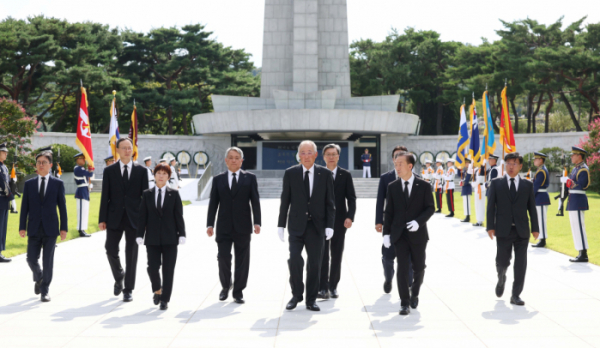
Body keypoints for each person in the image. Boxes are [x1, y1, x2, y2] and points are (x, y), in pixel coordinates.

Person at [278, 140, 335, 311]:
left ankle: (311, 300)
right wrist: (280, 225)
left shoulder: (324, 174)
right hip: (296, 225)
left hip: (317, 227)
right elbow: (285, 200)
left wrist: (330, 225)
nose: (306, 156)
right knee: (294, 259)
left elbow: (330, 202)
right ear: (298, 155)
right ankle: (296, 294)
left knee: (315, 264)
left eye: (309, 152)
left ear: (316, 155)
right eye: (303, 152)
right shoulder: (290, 173)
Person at [207, 147, 261, 304]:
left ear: (241, 160)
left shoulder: (250, 178)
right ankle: (225, 286)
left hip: (243, 226)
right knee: (223, 257)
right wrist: (209, 224)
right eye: (230, 157)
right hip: (223, 226)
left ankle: (238, 292)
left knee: (242, 260)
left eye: (237, 157)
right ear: (226, 160)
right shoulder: (218, 179)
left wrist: (257, 221)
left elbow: (255, 202)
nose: (234, 160)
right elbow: (213, 204)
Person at [383, 151, 435, 315]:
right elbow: (389, 211)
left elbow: (430, 208)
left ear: (410, 166)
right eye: (395, 164)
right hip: (400, 235)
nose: (396, 167)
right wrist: (386, 233)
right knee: (402, 268)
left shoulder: (424, 186)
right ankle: (404, 302)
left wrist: (418, 222)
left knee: (419, 267)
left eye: (400, 164)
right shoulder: (392, 187)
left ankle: (415, 293)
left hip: (418, 234)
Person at [99, 138, 149, 302]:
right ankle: (119, 275)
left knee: (132, 254)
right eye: (124, 148)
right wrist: (102, 219)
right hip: (114, 217)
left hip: (135, 218)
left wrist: (145, 219)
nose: (128, 150)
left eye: (130, 148)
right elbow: (105, 196)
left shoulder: (141, 171)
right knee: (110, 249)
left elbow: (145, 197)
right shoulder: (109, 171)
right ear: (118, 150)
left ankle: (128, 289)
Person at [486, 152, 539, 306]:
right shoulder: (496, 183)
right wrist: (490, 227)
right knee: (502, 261)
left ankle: (515, 295)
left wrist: (535, 228)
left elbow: (532, 208)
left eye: (514, 163)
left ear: (520, 166)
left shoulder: (527, 185)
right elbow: (490, 207)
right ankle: (501, 277)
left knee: (521, 263)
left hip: (522, 230)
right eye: (508, 163)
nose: (511, 166)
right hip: (503, 229)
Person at [19, 151, 68, 302]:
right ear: (36, 165)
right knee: (31, 258)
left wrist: (64, 228)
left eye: (44, 162)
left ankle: (45, 290)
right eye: (39, 162)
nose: (41, 165)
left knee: (48, 261)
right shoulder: (29, 184)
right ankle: (39, 278)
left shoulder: (58, 184)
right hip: (33, 227)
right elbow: (24, 207)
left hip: (51, 228)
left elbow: (62, 207)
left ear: (50, 165)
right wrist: (22, 226)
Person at [136, 163, 186, 310]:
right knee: (152, 267)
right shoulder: (147, 194)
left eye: (164, 173)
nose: (161, 176)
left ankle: (165, 299)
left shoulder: (174, 194)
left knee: (168, 269)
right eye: (159, 173)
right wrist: (140, 234)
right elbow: (142, 216)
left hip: (170, 238)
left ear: (168, 177)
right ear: (154, 175)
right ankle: (157, 289)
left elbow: (179, 216)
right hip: (152, 238)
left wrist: (182, 234)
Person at [318, 144, 356, 299]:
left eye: (334, 154)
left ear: (338, 156)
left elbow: (351, 198)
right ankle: (322, 287)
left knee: (336, 254)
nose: (331, 157)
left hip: (340, 221)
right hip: (321, 221)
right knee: (322, 255)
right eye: (328, 154)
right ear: (324, 157)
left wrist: (350, 216)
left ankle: (333, 286)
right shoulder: (318, 174)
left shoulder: (345, 175)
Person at [375, 145, 413, 294]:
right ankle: (388, 278)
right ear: (393, 159)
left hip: (409, 225)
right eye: (397, 156)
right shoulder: (386, 178)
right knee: (387, 256)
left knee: (408, 259)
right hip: (391, 224)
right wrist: (379, 221)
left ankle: (409, 285)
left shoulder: (415, 178)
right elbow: (380, 201)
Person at [562, 146, 591, 262]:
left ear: (579, 156)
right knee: (575, 227)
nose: (571, 157)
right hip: (573, 200)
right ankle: (580, 251)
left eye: (573, 155)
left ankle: (584, 253)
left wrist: (568, 181)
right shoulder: (576, 169)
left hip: (578, 200)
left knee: (579, 226)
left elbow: (582, 184)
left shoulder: (583, 169)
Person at [532, 152, 550, 248]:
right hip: (540, 197)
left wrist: (530, 196)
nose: (534, 160)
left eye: (536, 159)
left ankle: (542, 240)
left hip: (541, 197)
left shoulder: (541, 171)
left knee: (541, 219)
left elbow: (535, 186)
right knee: (539, 219)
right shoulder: (540, 169)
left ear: (541, 160)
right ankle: (541, 238)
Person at [73, 153, 94, 238]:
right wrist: (90, 168)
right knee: (81, 212)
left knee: (85, 211)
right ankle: (80, 230)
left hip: (85, 191)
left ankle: (83, 229)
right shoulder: (78, 168)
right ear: (78, 160)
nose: (84, 160)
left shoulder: (81, 168)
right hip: (81, 192)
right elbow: (90, 174)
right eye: (82, 159)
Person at [0, 143, 14, 262]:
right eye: (3, 152)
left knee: (3, 227)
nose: (6, 154)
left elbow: (7, 182)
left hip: (4, 200)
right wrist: (11, 196)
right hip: (1, 198)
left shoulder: (4, 167)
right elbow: (2, 183)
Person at [472, 159, 487, 227]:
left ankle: (480, 221)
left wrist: (474, 184)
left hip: (480, 188)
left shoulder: (482, 169)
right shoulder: (476, 170)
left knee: (480, 205)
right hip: (477, 189)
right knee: (477, 205)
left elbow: (480, 180)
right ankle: (478, 220)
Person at [460, 158, 473, 223]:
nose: (465, 164)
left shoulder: (470, 170)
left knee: (467, 203)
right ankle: (466, 216)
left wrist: (463, 182)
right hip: (464, 188)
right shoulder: (465, 170)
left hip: (467, 188)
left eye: (466, 163)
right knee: (465, 203)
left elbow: (468, 179)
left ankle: (468, 217)